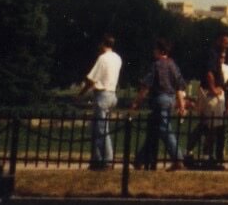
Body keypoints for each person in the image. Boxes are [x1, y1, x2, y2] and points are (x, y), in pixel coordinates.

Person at [132, 38, 185, 170]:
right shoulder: (173, 65)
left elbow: (146, 87)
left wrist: (137, 102)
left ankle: (178, 158)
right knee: (153, 131)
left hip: (160, 99)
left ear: (160, 51)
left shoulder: (156, 65)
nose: (153, 51)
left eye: (155, 49)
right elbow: (179, 87)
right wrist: (181, 105)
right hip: (171, 99)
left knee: (164, 130)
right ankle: (140, 160)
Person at [75, 35, 123, 170]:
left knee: (101, 129)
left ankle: (107, 159)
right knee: (97, 127)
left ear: (103, 44)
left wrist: (81, 94)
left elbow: (92, 79)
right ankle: (96, 159)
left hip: (103, 94)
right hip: (112, 93)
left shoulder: (102, 58)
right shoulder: (117, 58)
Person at [193, 34, 228, 165]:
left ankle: (203, 154)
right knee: (213, 126)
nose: (227, 46)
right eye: (225, 43)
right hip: (212, 94)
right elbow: (209, 73)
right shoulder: (213, 54)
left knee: (208, 125)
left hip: (210, 93)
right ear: (219, 41)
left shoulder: (219, 60)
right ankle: (207, 156)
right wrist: (213, 88)